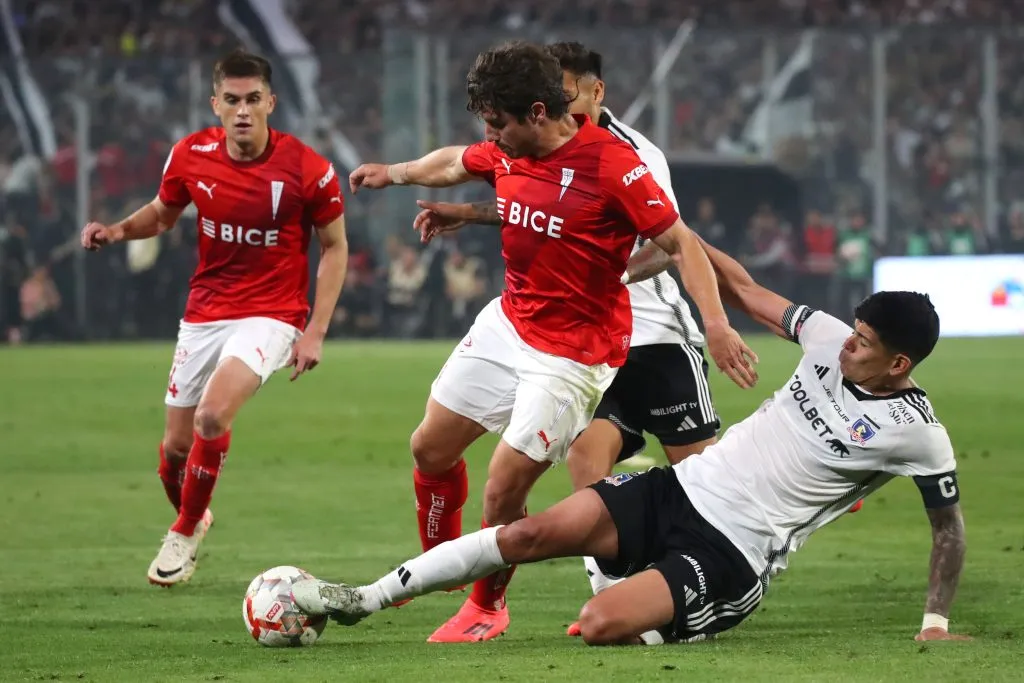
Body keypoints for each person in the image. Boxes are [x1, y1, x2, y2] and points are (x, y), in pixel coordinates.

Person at [290, 239, 969, 646]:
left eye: (864, 344)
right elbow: (743, 288)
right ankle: (364, 598)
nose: (847, 345)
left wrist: (935, 621)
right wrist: (681, 236)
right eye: (852, 331)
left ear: (899, 364)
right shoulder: (826, 338)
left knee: (598, 624)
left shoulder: (917, 432)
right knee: (527, 533)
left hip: (733, 549)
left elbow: (949, 529)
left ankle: (664, 604)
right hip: (679, 489)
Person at [346, 40, 757, 642]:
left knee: (504, 486)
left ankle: (487, 606)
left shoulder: (617, 165)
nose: (490, 136)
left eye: (498, 123)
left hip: (572, 355)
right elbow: (459, 162)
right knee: (429, 448)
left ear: (538, 113)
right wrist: (395, 174)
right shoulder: (513, 147)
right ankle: (443, 564)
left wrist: (716, 324)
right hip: (510, 322)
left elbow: (681, 244)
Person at [80, 49, 349, 587]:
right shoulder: (190, 155)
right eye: (232, 100)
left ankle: (183, 532)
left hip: (273, 314)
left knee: (211, 417)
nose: (243, 110)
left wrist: (315, 331)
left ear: (271, 102)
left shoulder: (308, 169)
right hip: (205, 312)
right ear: (215, 105)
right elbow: (163, 213)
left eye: (253, 99)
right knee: (175, 452)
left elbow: (335, 246)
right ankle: (195, 513)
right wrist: (117, 231)